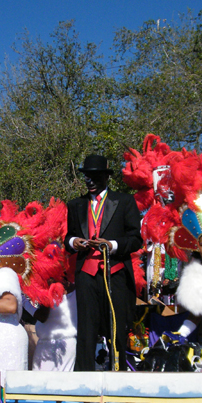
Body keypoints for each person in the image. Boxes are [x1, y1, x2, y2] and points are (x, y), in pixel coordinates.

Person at [65, 154, 142, 371]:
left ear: (106, 177)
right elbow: (67, 237)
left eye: (95, 176)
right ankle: (84, 380)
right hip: (86, 274)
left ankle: (118, 375)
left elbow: (136, 239)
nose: (89, 181)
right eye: (87, 177)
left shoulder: (125, 201)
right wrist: (74, 241)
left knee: (116, 327)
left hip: (115, 272)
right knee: (87, 329)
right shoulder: (76, 205)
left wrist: (113, 245)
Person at [23, 285, 77, 372]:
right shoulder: (75, 289)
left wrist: (24, 302)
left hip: (49, 346)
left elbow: (42, 316)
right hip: (69, 344)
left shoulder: (50, 290)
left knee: (42, 382)